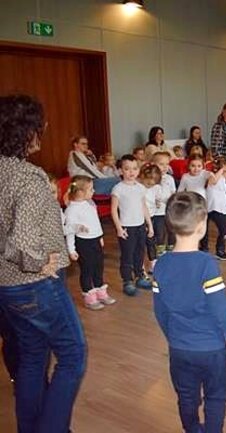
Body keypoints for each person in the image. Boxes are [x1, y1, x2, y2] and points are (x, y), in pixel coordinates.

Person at [0, 94, 86, 433]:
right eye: (40, 124)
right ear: (27, 131)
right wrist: (39, 262)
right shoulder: (28, 178)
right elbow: (22, 243)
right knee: (73, 355)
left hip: (7, 287)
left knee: (33, 357)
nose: (45, 129)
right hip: (35, 286)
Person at [153, 191, 226, 433]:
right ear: (202, 226)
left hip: (179, 349)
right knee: (215, 396)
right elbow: (221, 310)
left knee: (186, 396)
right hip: (211, 349)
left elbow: (159, 311)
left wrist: (173, 337)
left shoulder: (161, 264)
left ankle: (192, 429)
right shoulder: (207, 264)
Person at [64, 175, 116, 310]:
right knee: (87, 269)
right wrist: (71, 250)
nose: (94, 191)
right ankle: (89, 296)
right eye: (91, 189)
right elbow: (69, 231)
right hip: (83, 243)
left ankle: (100, 291)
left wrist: (100, 236)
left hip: (95, 240)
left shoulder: (89, 203)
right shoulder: (71, 210)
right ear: (80, 192)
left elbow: (95, 221)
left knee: (98, 266)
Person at [111, 154, 154, 296]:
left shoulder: (140, 187)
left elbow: (143, 206)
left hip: (140, 226)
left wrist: (149, 224)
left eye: (135, 168)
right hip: (126, 227)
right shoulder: (118, 188)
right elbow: (113, 210)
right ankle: (127, 280)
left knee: (140, 253)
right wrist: (119, 228)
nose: (131, 172)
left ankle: (139, 276)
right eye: (127, 169)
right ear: (121, 171)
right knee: (127, 255)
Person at [139, 164, 163, 271]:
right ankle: (140, 265)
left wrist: (157, 202)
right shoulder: (139, 187)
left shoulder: (156, 188)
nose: (150, 186)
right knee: (140, 243)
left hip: (151, 216)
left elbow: (158, 198)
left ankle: (153, 262)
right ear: (142, 177)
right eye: (148, 183)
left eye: (153, 184)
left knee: (151, 241)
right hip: (139, 218)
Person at [152, 152, 177, 251]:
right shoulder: (151, 179)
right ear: (153, 164)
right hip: (157, 212)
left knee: (172, 231)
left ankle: (171, 249)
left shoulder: (170, 178)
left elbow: (173, 193)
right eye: (161, 164)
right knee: (160, 233)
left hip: (169, 211)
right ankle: (160, 251)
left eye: (167, 164)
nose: (165, 167)